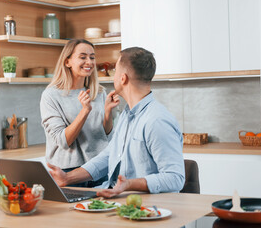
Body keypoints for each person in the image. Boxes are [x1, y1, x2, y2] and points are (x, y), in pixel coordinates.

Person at [47, 47, 185, 198]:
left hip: (148, 209)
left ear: (123, 78)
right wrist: (67, 178)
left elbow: (175, 178)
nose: (113, 75)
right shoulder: (127, 115)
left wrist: (129, 184)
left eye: (115, 70)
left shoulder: (156, 121)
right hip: (120, 201)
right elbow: (109, 155)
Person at [40, 39, 119, 187]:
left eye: (92, 57)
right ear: (67, 62)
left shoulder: (99, 92)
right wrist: (85, 111)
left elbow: (106, 135)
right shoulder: (51, 95)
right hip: (67, 172)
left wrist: (108, 111)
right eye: (82, 57)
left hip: (98, 169)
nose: (89, 62)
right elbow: (63, 141)